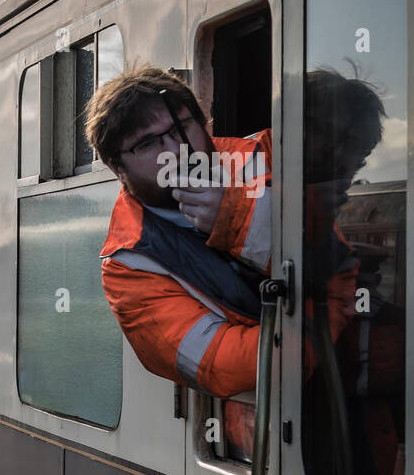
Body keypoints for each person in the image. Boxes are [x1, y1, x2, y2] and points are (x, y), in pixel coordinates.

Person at [88, 65, 358, 452]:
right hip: (271, 444)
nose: (175, 150)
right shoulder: (129, 267)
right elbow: (220, 362)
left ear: (204, 124)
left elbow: (340, 254)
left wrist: (239, 218)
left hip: (366, 410)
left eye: (183, 126)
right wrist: (326, 325)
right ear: (117, 167)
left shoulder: (266, 156)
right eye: (147, 144)